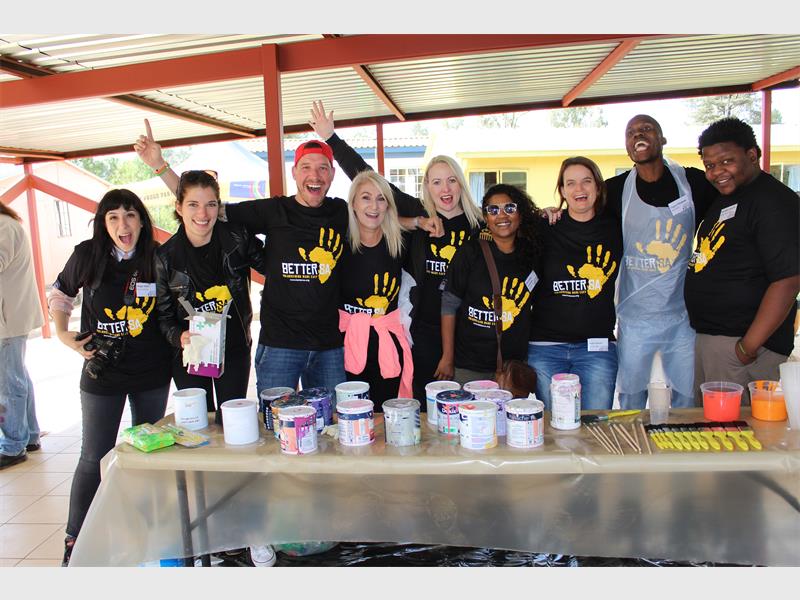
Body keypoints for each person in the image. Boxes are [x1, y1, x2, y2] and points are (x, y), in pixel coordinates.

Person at [135, 120, 435, 398]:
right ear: (295, 172)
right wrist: (161, 167)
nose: (315, 175)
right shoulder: (273, 211)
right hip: (280, 344)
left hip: (329, 346)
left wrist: (416, 222)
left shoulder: (341, 213)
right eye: (306, 167)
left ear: (332, 174)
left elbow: (377, 216)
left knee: (333, 426)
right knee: (276, 427)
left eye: (322, 168)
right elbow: (205, 207)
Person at [309, 100, 482, 402]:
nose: (445, 189)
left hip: (467, 332)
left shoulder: (479, 226)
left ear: (461, 184)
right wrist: (331, 139)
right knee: (422, 406)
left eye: (451, 180)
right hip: (422, 330)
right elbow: (369, 179)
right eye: (437, 182)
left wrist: (548, 214)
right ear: (427, 186)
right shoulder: (419, 214)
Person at [48, 189, 171, 566]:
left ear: (142, 221)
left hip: (151, 370)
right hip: (102, 370)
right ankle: (75, 540)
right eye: (113, 217)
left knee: (149, 454)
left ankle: (145, 534)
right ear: (103, 223)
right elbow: (61, 293)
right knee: (93, 456)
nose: (123, 225)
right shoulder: (88, 254)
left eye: (130, 215)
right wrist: (63, 333)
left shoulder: (157, 256)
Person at [606, 114, 718, 409]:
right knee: (631, 399)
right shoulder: (615, 190)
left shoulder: (692, 182)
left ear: (662, 138)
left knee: (687, 397)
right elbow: (579, 214)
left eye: (646, 129)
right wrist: (551, 212)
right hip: (634, 317)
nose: (638, 135)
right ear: (627, 146)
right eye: (631, 132)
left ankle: (681, 440)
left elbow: (732, 205)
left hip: (682, 316)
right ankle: (635, 440)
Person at [685, 117, 799, 404]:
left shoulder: (773, 202)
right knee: (710, 428)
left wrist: (747, 347)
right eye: (709, 165)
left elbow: (788, 279)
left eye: (726, 161)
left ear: (752, 155)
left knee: (733, 430)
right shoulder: (729, 197)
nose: (716, 172)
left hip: (742, 349)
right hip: (714, 342)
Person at [153, 169, 264, 424]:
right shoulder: (165, 257)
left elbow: (273, 265)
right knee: (198, 424)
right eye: (193, 204)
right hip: (191, 353)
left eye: (210, 204)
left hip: (234, 348)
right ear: (179, 207)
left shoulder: (237, 237)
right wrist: (178, 336)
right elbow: (163, 316)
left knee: (231, 422)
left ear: (219, 206)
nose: (203, 214)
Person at [528, 157, 622, 410]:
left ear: (598, 187)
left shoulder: (615, 227)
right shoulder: (544, 227)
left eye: (586, 181)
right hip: (545, 347)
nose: (579, 189)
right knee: (555, 425)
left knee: (595, 423)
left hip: (597, 347)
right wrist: (540, 213)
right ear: (562, 190)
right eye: (570, 183)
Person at [438, 184, 541, 385]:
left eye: (509, 208)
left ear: (520, 213)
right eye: (493, 210)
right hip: (469, 366)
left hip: (513, 367)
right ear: (485, 217)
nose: (501, 215)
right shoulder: (470, 252)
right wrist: (447, 357)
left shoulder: (532, 253)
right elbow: (449, 305)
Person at [338, 170, 413, 408]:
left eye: (381, 199)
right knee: (351, 416)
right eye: (366, 198)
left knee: (386, 415)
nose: (374, 206)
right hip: (346, 344)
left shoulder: (401, 243)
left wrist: (417, 222)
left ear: (388, 205)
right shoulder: (339, 243)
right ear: (353, 203)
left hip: (386, 343)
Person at [0, 202, 43, 470]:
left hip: (8, 320)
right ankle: (30, 436)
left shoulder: (4, 227)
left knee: (9, 383)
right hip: (10, 317)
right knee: (16, 376)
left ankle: (13, 445)